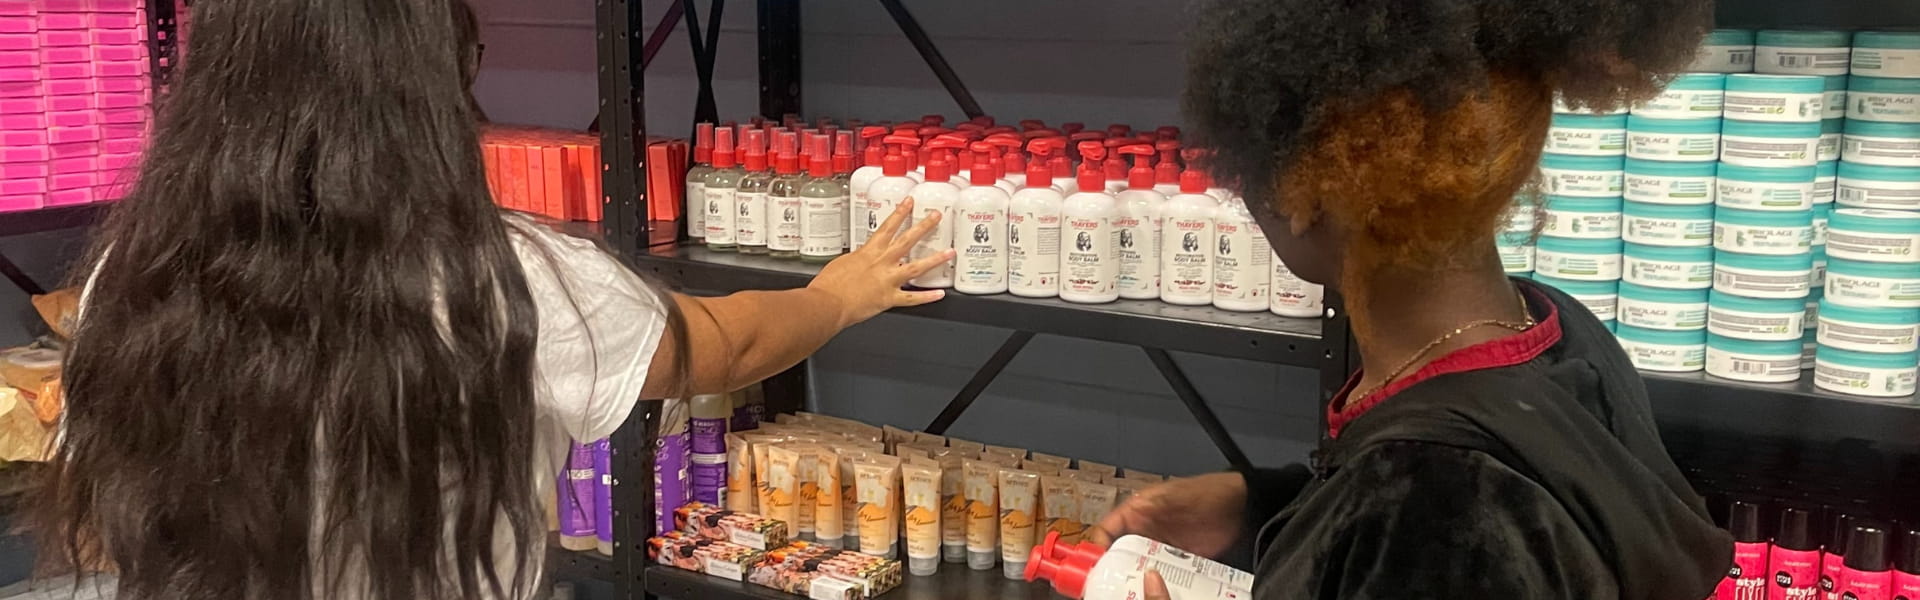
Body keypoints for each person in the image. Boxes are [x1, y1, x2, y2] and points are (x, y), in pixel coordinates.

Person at [31, 1, 949, 599]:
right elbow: (723, 347)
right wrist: (837, 297)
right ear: (429, 84)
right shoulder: (508, 281)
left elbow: (101, 519)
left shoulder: (131, 277)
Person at [1093, 0, 1733, 597]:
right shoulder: (1558, 330)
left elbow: (1424, 527)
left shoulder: (1438, 499)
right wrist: (1258, 507)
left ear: (1306, 187)